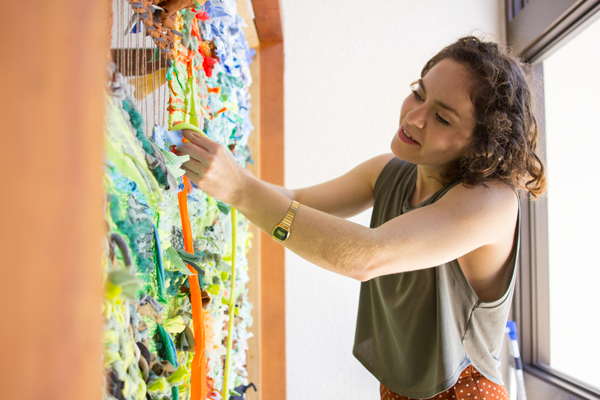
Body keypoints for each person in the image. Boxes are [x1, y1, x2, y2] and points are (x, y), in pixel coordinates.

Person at [176, 36, 546, 400]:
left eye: (443, 118)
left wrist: (240, 190)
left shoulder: (492, 202)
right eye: (419, 93)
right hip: (398, 391)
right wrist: (220, 170)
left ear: (483, 144)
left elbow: (367, 256)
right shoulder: (389, 171)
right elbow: (297, 200)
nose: (414, 118)